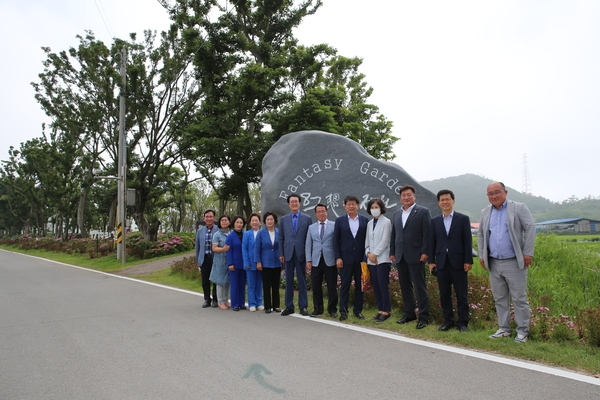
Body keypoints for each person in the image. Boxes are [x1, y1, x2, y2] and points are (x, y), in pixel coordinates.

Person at [478, 182, 535, 343]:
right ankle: (504, 329)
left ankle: (522, 331)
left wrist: (527, 252)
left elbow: (530, 228)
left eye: (497, 192)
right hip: (494, 262)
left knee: (519, 297)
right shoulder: (485, 212)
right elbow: (482, 235)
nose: (494, 196)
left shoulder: (518, 207)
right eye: (490, 194)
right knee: (500, 298)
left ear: (505, 192)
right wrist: (483, 255)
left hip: (514, 261)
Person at [429, 189, 473, 332]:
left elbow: (468, 241)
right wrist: (431, 261)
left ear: (453, 201)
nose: (445, 202)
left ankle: (462, 323)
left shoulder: (463, 219)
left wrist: (468, 261)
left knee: (462, 295)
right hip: (442, 262)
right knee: (444, 294)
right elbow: (432, 242)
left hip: (459, 262)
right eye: (442, 200)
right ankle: (448, 321)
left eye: (448, 199)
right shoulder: (435, 221)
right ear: (438, 203)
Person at [390, 185, 431, 329]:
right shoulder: (396, 214)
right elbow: (394, 234)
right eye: (403, 195)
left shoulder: (422, 212)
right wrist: (392, 252)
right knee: (405, 287)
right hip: (400, 255)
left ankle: (424, 317)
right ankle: (409, 314)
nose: (406, 197)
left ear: (414, 196)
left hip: (416, 255)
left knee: (420, 287)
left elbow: (427, 234)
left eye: (409, 195)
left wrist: (425, 252)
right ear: (400, 198)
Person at [333, 195, 369, 321]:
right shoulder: (340, 221)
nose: (351, 206)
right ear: (345, 206)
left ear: (358, 206)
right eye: (349, 204)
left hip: (360, 259)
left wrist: (365, 258)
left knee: (360, 286)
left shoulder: (365, 220)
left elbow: (368, 241)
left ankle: (358, 311)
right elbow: (335, 241)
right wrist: (338, 257)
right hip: (345, 258)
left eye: (354, 204)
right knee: (345, 286)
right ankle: (343, 311)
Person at [278, 194, 312, 316]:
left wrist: (309, 256)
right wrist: (281, 253)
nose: (294, 204)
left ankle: (303, 306)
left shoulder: (307, 219)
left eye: (296, 202)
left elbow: (309, 239)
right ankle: (289, 306)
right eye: (291, 202)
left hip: (301, 253)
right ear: (288, 204)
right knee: (288, 281)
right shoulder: (284, 219)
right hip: (288, 254)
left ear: (300, 203)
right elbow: (281, 237)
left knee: (302, 280)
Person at [305, 203, 338, 318]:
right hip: (316, 260)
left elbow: (337, 243)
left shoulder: (334, 225)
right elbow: (308, 244)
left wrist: (337, 258)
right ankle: (317, 309)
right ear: (316, 214)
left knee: (332, 286)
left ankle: (332, 309)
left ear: (326, 212)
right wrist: (308, 260)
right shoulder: (311, 227)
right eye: (318, 212)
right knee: (316, 286)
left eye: (323, 211)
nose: (321, 213)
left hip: (330, 260)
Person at [364, 198, 393, 323]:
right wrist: (369, 253)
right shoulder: (369, 223)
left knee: (383, 285)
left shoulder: (386, 222)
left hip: (382, 259)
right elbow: (367, 240)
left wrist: (375, 254)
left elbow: (385, 240)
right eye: (372, 207)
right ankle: (380, 309)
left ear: (381, 208)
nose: (374, 209)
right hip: (371, 259)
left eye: (376, 207)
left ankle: (386, 311)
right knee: (376, 285)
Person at [255, 212, 282, 314]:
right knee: (266, 285)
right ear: (265, 221)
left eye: (271, 219)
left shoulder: (279, 232)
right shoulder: (261, 233)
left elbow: (281, 247)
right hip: (265, 263)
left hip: (277, 262)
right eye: (267, 219)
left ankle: (276, 306)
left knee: (276, 285)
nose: (270, 221)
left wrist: (282, 260)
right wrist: (258, 261)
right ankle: (267, 306)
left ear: (275, 220)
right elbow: (257, 249)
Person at [195, 209, 218, 308]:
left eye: (211, 216)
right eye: (207, 217)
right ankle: (207, 299)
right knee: (205, 280)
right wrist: (198, 260)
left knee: (215, 280)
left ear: (214, 218)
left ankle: (215, 299)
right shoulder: (200, 231)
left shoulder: (218, 229)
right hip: (204, 258)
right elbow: (197, 246)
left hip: (215, 258)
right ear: (204, 218)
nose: (209, 218)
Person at [210, 215, 231, 310]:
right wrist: (223, 249)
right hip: (219, 261)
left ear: (229, 222)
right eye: (222, 220)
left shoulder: (231, 233)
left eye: (226, 220)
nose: (224, 222)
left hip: (229, 260)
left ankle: (226, 299)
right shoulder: (217, 234)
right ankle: (220, 301)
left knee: (227, 281)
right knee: (220, 281)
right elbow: (214, 248)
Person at [242, 213, 263, 312]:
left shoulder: (263, 233)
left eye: (256, 220)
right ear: (250, 223)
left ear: (260, 222)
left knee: (259, 284)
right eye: (253, 220)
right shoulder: (246, 234)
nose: (255, 222)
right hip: (250, 263)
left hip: (261, 263)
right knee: (251, 284)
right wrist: (246, 262)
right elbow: (244, 249)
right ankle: (252, 303)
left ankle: (259, 302)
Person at [226, 215, 247, 311]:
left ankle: (242, 303)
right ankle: (235, 304)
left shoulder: (245, 235)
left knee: (242, 284)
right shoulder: (230, 236)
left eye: (241, 223)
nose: (239, 224)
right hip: (234, 264)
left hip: (244, 263)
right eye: (237, 222)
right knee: (234, 284)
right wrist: (230, 263)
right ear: (233, 224)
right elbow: (228, 251)